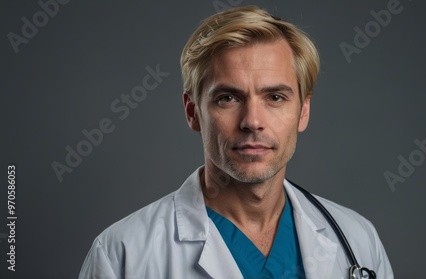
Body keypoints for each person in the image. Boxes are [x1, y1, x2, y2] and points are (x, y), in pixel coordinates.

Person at [79, 5, 393, 279]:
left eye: (275, 97)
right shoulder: (122, 254)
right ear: (193, 112)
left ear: (303, 111)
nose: (252, 121)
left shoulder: (357, 240)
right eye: (228, 98)